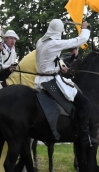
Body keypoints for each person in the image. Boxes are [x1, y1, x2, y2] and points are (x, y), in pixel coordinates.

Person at [34, 19, 92, 148]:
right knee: (84, 102)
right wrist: (85, 28)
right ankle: (84, 136)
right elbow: (79, 40)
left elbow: (49, 58)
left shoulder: (40, 42)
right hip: (50, 81)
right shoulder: (54, 43)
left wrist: (59, 67)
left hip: (40, 79)